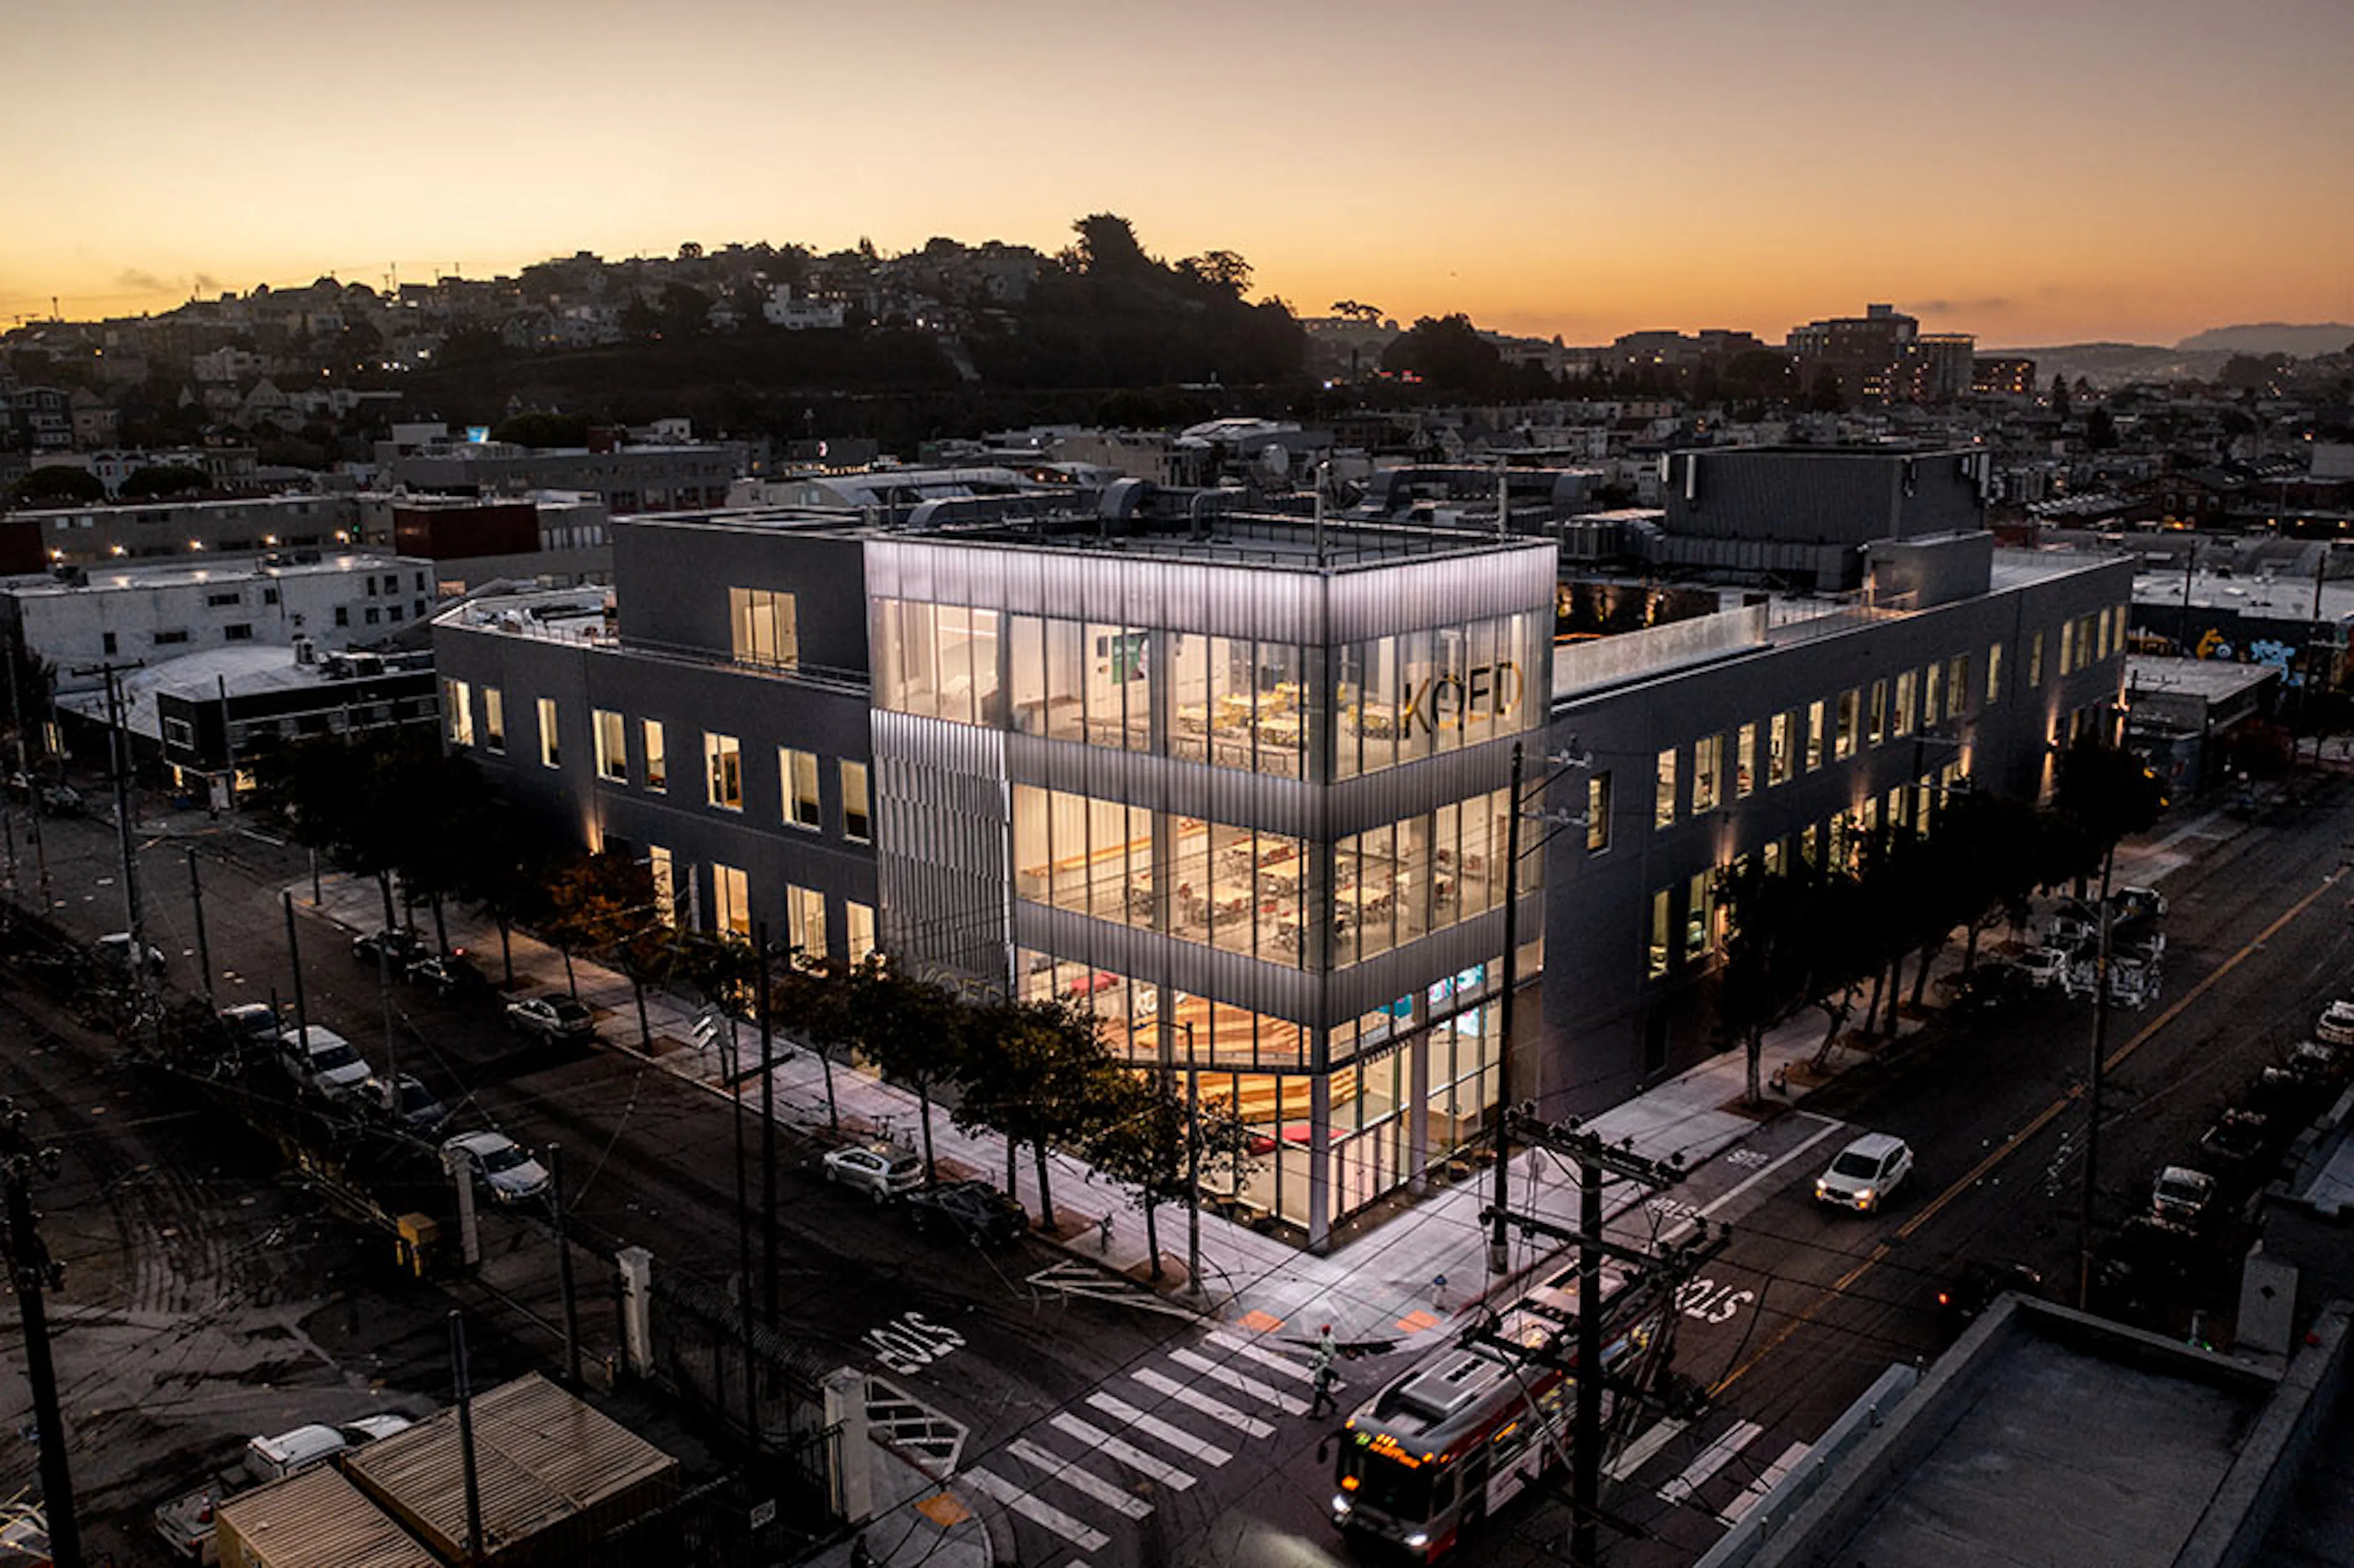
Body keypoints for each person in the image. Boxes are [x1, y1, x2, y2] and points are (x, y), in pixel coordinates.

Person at [1309, 1323, 1344, 1416]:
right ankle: (1333, 1405)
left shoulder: (1325, 1368)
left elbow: (1334, 1374)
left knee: (1319, 1397)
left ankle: (1315, 1413)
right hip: (1319, 1383)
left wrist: (1335, 1380)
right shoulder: (1320, 1366)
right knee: (1321, 1396)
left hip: (1322, 1383)